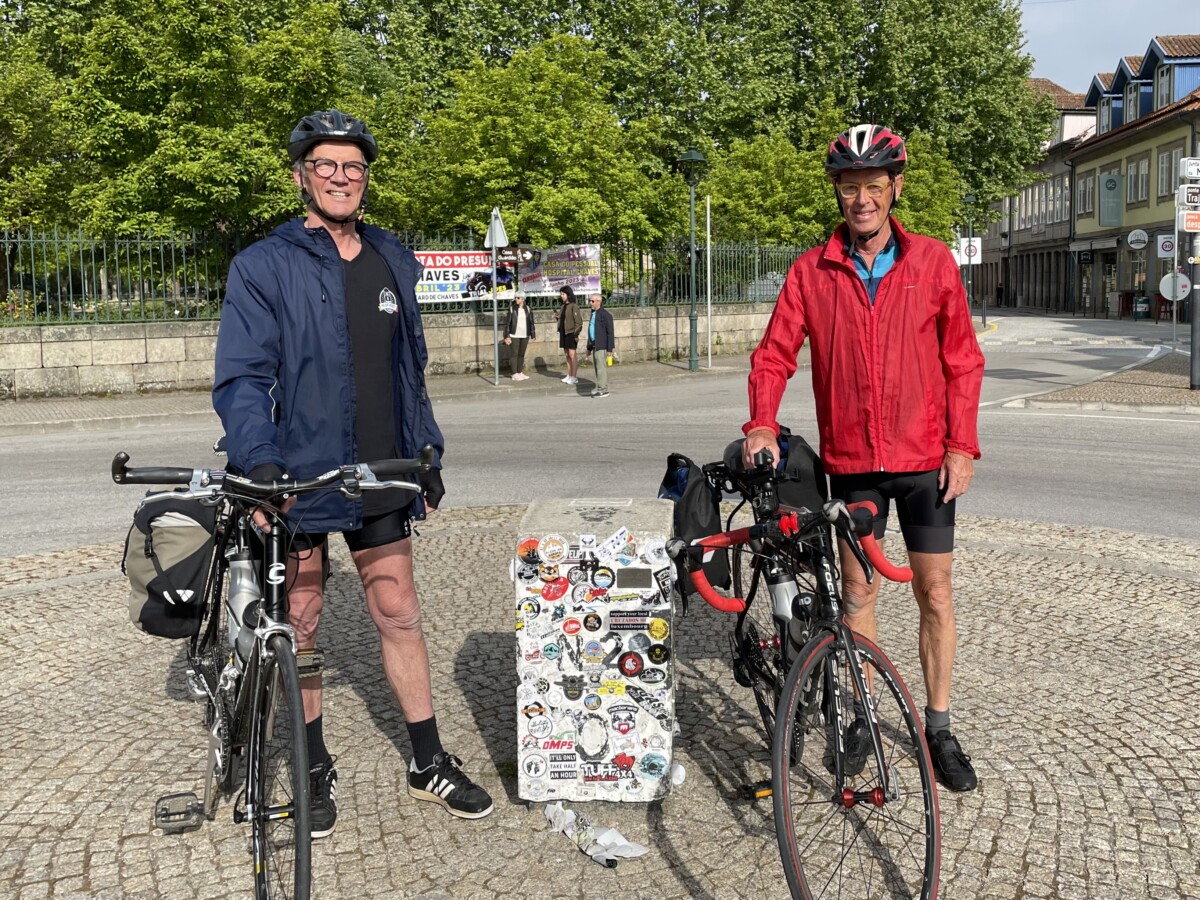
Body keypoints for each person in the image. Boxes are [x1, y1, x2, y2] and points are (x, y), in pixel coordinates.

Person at [213, 109, 494, 837]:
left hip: (382, 466)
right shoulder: (262, 265)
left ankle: (427, 759)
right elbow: (242, 379)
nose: (341, 177)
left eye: (354, 167)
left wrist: (426, 449)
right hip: (298, 474)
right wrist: (261, 464)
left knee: (398, 607)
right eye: (327, 165)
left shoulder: (391, 256)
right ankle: (311, 765)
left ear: (365, 179)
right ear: (301, 175)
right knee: (301, 621)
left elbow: (411, 370)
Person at [741, 124, 985, 792]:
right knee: (858, 592)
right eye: (849, 188)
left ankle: (937, 725)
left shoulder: (933, 263)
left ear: (895, 187)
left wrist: (961, 445)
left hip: (924, 463)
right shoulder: (810, 271)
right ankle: (862, 715)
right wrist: (762, 423)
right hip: (852, 464)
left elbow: (963, 360)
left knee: (934, 590)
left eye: (873, 186)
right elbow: (774, 353)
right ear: (839, 194)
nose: (861, 200)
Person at [585, 293, 614, 398]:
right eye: (590, 300)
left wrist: (609, 348)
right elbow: (591, 331)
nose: (590, 303)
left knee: (601, 367)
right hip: (594, 344)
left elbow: (610, 333)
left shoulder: (605, 315)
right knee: (597, 367)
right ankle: (601, 387)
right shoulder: (593, 313)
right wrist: (588, 347)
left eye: (592, 301)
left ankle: (603, 390)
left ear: (598, 301)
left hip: (601, 345)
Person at [503, 294, 535, 380]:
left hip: (525, 334)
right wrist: (507, 336)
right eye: (515, 298)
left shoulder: (528, 309)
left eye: (518, 298)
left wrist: (533, 334)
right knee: (514, 354)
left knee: (521, 354)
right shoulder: (512, 309)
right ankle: (514, 373)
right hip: (514, 335)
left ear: (523, 299)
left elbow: (531, 322)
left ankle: (520, 372)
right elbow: (508, 323)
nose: (516, 299)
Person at [555, 284, 583, 384]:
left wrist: (575, 334)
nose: (561, 296)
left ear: (568, 294)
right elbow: (564, 319)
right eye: (561, 294)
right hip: (563, 332)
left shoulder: (574, 306)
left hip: (571, 333)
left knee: (572, 355)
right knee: (567, 355)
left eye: (563, 294)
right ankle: (569, 374)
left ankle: (574, 376)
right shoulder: (563, 306)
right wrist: (558, 318)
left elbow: (579, 322)